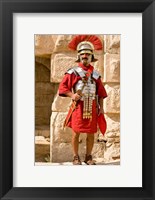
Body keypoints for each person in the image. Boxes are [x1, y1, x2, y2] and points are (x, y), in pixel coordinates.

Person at [58, 35, 107, 165]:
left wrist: (101, 108)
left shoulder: (96, 75)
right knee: (76, 132)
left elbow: (101, 93)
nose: (85, 56)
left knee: (91, 134)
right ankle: (75, 157)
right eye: (83, 54)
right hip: (78, 107)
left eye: (87, 54)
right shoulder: (72, 72)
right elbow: (62, 88)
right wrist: (72, 95)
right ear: (79, 56)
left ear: (91, 56)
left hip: (91, 106)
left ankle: (88, 156)